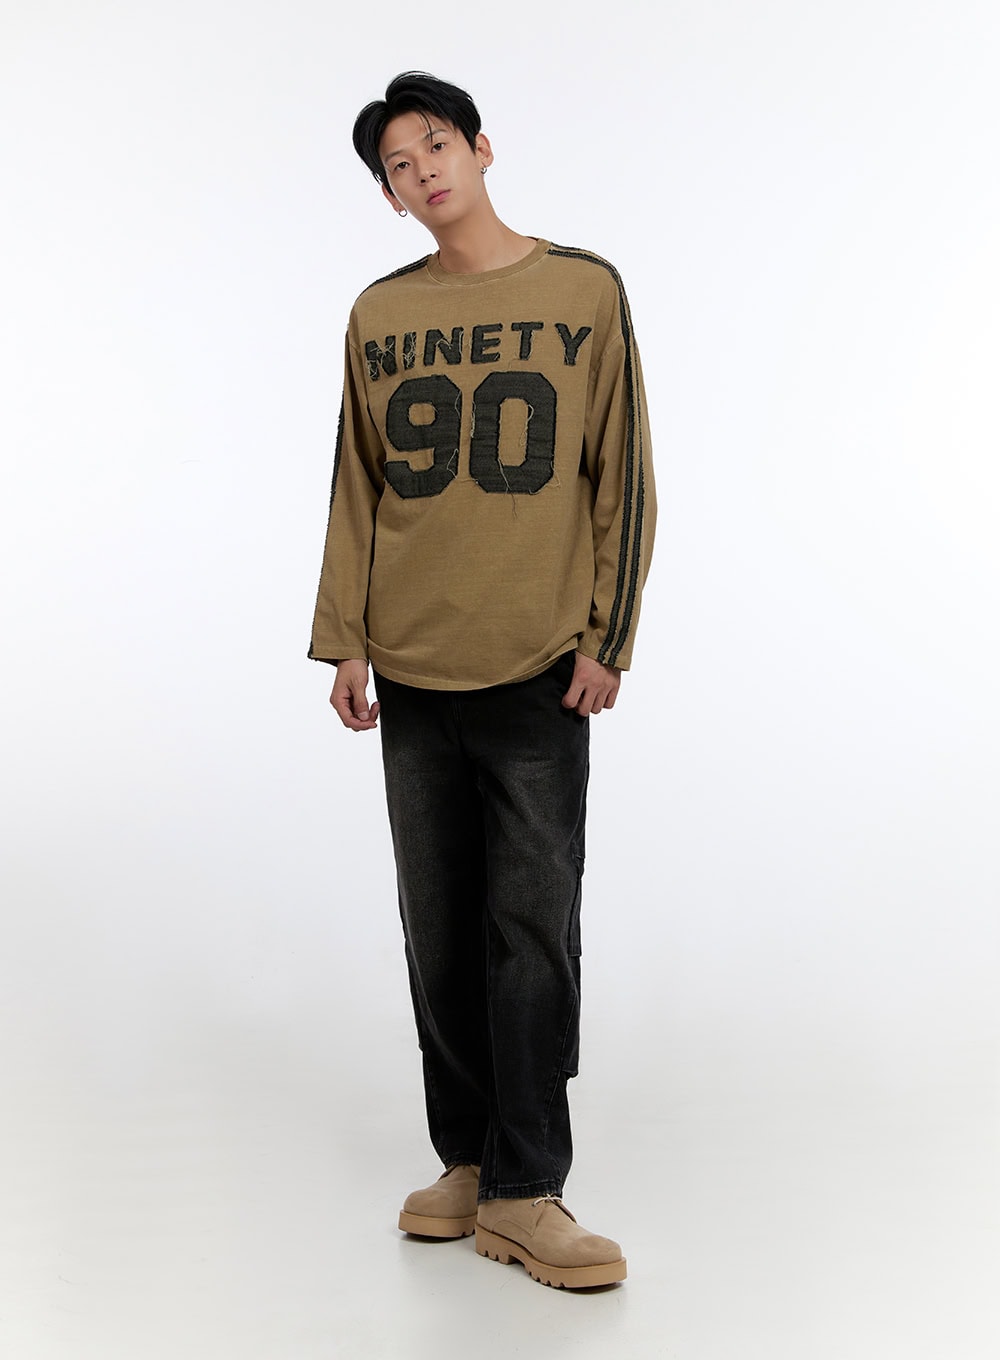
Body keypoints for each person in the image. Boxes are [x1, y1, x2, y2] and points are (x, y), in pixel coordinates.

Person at [309, 71, 655, 1290]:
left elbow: (621, 469)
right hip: (411, 665)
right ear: (390, 197)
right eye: (398, 166)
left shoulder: (583, 290)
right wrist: (345, 637)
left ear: (482, 148)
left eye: (436, 145)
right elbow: (358, 481)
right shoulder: (378, 313)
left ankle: (527, 1185)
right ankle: (466, 1158)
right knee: (441, 926)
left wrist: (608, 634)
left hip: (537, 665)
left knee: (531, 931)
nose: (423, 172)